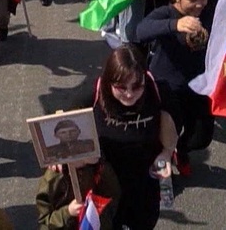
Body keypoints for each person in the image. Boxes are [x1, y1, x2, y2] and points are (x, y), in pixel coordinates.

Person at [71, 45, 178, 230]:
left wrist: (166, 153)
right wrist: (60, 160)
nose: (129, 94)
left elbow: (173, 125)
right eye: (121, 87)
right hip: (106, 184)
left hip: (144, 184)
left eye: (137, 86)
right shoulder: (92, 95)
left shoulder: (159, 92)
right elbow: (62, 127)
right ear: (109, 82)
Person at [134, 0, 214, 176]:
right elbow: (141, 31)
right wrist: (174, 25)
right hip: (168, 88)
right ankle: (164, 165)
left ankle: (181, 150)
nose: (199, 5)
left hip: (198, 85)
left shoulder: (207, 10)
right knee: (167, 134)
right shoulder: (165, 13)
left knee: (202, 136)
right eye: (192, 0)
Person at [36, 153, 122, 230]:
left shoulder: (98, 168)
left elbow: (113, 195)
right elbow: (45, 219)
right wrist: (68, 212)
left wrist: (99, 214)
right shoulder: (53, 178)